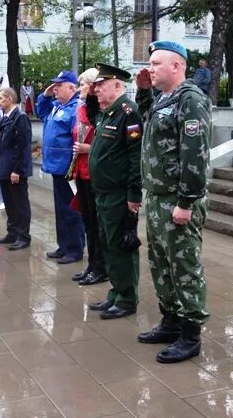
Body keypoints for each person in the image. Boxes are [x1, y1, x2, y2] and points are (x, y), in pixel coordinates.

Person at [135, 40, 212, 363]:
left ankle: (191, 334)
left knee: (184, 265)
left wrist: (186, 201)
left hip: (178, 200)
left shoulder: (190, 100)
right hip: (157, 197)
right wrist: (141, 93)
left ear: (176, 66)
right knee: (161, 264)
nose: (149, 68)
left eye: (155, 63)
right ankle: (170, 321)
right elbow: (150, 128)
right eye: (150, 63)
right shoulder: (162, 98)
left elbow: (194, 154)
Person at [85, 63, 143, 319]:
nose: (96, 90)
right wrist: (89, 93)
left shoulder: (129, 114)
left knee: (121, 247)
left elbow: (135, 156)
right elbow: (90, 113)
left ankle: (127, 299)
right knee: (108, 245)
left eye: (101, 85)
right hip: (103, 192)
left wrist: (133, 194)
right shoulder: (107, 113)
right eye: (95, 86)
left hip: (120, 194)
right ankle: (116, 293)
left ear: (118, 85)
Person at [36, 70, 85, 264]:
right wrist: (45, 96)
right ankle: (63, 246)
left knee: (71, 210)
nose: (55, 88)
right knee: (60, 210)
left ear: (71, 88)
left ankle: (74, 250)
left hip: (68, 168)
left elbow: (78, 136)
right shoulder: (57, 106)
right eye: (54, 85)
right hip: (56, 167)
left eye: (59, 85)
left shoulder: (76, 108)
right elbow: (41, 112)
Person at [69, 68, 107, 286]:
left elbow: (107, 145)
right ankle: (92, 265)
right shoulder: (82, 110)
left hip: (94, 174)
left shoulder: (100, 112)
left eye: (83, 84)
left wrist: (88, 148)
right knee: (88, 224)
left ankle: (100, 267)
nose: (80, 88)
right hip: (81, 172)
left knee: (96, 223)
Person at [0, 87, 33, 251]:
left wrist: (17, 170)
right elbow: (1, 148)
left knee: (20, 205)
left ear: (9, 99)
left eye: (0, 98)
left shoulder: (20, 118)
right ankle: (13, 233)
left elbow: (22, 147)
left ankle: (23, 237)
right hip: (5, 169)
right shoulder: (5, 119)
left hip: (15, 171)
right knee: (10, 204)